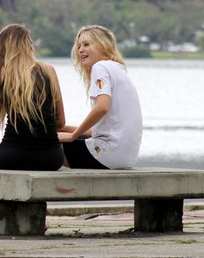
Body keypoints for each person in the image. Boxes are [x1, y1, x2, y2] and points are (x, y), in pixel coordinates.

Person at [0, 24, 66, 234]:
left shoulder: (1, 72)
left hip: (14, 156)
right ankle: (28, 217)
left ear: (2, 48)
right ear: (29, 46)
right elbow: (60, 122)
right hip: (52, 157)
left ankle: (0, 212)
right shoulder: (49, 71)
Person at [58, 25, 142, 169]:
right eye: (79, 46)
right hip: (125, 156)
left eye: (86, 44)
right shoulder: (117, 69)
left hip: (107, 153)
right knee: (59, 134)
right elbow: (105, 130)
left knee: (44, 144)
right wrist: (65, 129)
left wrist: (72, 136)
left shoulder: (100, 67)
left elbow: (102, 107)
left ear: (103, 46)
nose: (80, 50)